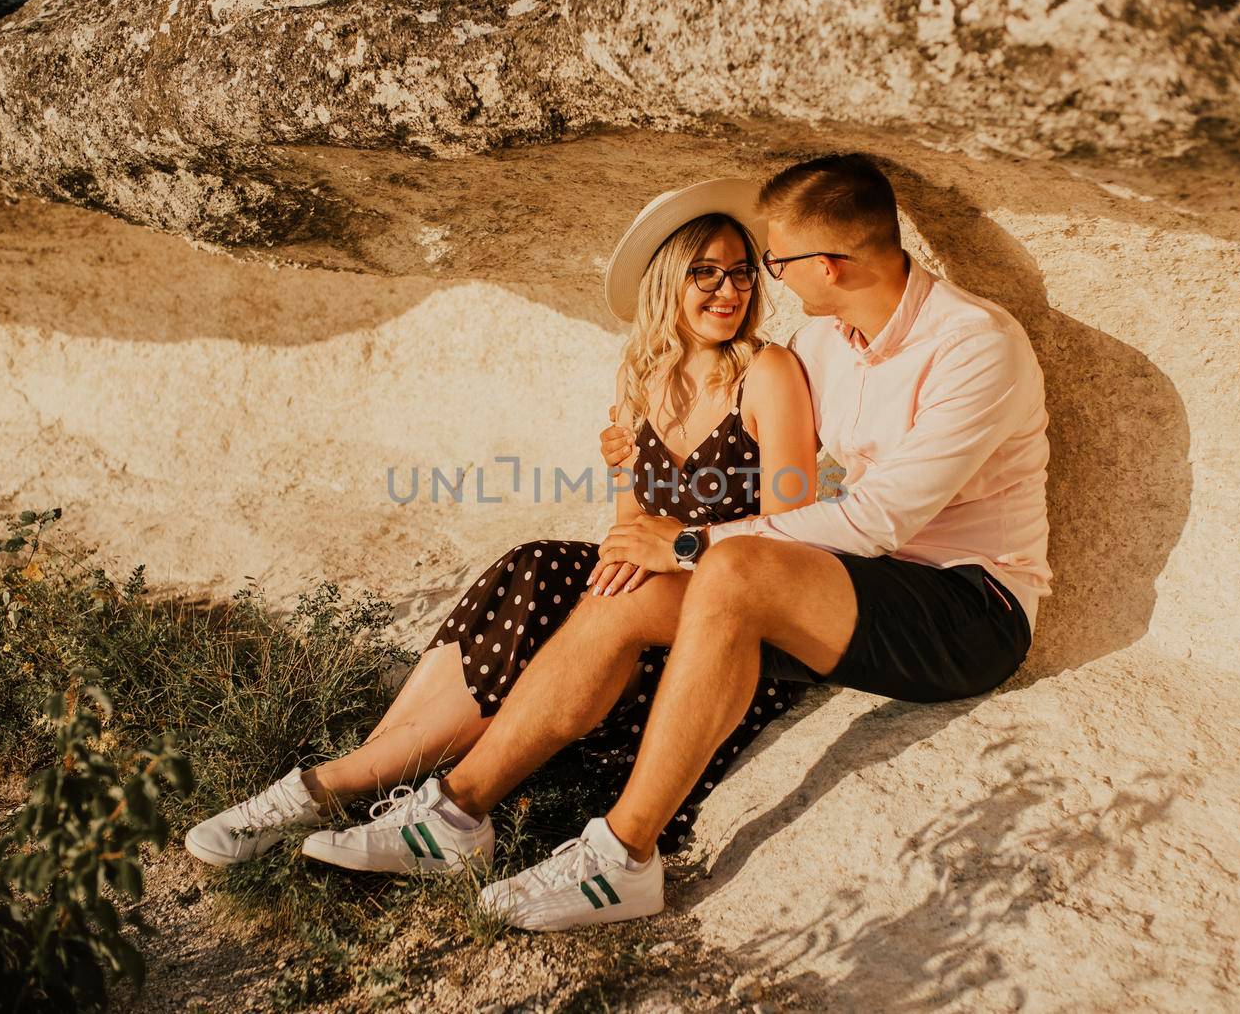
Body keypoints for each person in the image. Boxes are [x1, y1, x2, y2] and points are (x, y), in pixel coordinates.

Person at [282, 151, 1051, 933]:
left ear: (828, 264)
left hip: (967, 607)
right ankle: (453, 816)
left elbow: (880, 518)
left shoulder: (973, 343)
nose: (768, 281)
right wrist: (642, 453)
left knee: (732, 566)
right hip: (851, 585)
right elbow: (750, 428)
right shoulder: (829, 340)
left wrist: (689, 542)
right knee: (628, 592)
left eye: (774, 263)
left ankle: (624, 857)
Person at [183, 178, 821, 873]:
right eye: (706, 272)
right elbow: (628, 534)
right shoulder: (638, 381)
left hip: (730, 607)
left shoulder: (769, 371)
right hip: (654, 592)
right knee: (536, 566)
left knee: (595, 600)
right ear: (669, 279)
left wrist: (674, 549)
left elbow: (797, 530)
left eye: (740, 273)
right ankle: (386, 784)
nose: (729, 291)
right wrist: (626, 481)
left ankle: (329, 788)